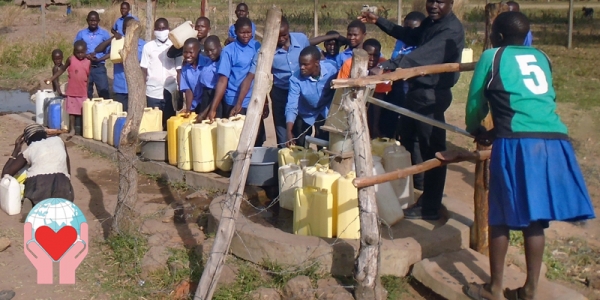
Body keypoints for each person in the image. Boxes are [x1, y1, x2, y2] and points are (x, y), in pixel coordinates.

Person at [462, 11, 595, 300]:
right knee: (535, 218)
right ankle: (530, 290)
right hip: (553, 141)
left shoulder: (492, 56)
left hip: (517, 144)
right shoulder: (543, 57)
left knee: (500, 215)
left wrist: (477, 128)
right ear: (527, 35)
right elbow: (537, 101)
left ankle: (494, 289)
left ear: (495, 35)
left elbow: (476, 101)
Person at [361, 0, 465, 221]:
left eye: (441, 1)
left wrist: (387, 65)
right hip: (416, 91)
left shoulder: (450, 30)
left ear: (451, 3)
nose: (434, 5)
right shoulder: (432, 23)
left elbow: (421, 55)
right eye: (431, 1)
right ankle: (416, 188)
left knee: (433, 149)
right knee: (408, 139)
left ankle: (431, 206)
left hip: (432, 95)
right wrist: (379, 21)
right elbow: (411, 36)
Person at [236, 17, 345, 147]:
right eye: (278, 36)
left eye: (285, 35)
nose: (281, 39)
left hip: (306, 91)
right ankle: (286, 160)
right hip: (282, 92)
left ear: (289, 31)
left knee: (307, 131)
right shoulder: (265, 51)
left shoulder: (301, 39)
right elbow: (252, 77)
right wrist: (240, 102)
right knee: (284, 135)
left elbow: (313, 55)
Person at [204, 17, 264, 146]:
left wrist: (265, 103)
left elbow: (260, 76)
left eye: (249, 32)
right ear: (235, 32)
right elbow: (222, 80)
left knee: (256, 139)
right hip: (233, 101)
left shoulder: (257, 46)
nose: (246, 36)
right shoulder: (228, 51)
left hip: (253, 99)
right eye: (242, 32)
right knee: (235, 140)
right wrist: (213, 108)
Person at [2, 124, 74, 207]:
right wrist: (67, 182)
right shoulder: (59, 141)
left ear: (27, 140)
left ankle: (31, 200)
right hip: (63, 185)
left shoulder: (30, 149)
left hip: (39, 187)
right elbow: (67, 165)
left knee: (26, 171)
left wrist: (16, 150)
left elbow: (6, 174)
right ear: (45, 134)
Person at [337, 39, 391, 138]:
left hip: (374, 102)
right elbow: (340, 89)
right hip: (351, 97)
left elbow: (380, 93)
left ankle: (375, 130)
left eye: (376, 55)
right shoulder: (349, 64)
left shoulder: (383, 65)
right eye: (369, 55)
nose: (372, 59)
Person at [285, 46, 338, 148]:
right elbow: (292, 105)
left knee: (325, 145)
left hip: (324, 112)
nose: (301, 67)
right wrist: (289, 131)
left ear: (317, 63)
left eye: (305, 64)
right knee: (300, 145)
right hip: (305, 113)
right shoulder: (295, 79)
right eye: (300, 64)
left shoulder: (332, 70)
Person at [95, 16, 145, 111]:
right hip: (120, 86)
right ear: (123, 29)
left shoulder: (143, 45)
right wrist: (112, 39)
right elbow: (98, 50)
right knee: (122, 114)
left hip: (136, 87)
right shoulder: (117, 43)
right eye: (127, 28)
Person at [140, 18, 182, 129]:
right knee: (154, 124)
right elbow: (143, 70)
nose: (161, 31)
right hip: (152, 92)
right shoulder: (148, 47)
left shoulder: (175, 48)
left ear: (169, 29)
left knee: (169, 124)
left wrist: (180, 92)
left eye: (163, 28)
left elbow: (179, 70)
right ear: (154, 31)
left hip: (170, 91)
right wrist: (141, 90)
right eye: (158, 29)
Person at [45, 41, 90, 135]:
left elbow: (89, 76)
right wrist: (51, 78)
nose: (80, 55)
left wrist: (88, 89)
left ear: (86, 51)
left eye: (82, 52)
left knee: (83, 111)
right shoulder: (71, 59)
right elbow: (61, 70)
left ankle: (82, 129)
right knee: (72, 112)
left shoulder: (89, 61)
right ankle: (72, 128)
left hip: (82, 91)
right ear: (74, 51)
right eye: (78, 52)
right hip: (72, 90)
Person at [74, 11, 111, 99]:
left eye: (95, 20)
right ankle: (86, 112)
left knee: (103, 92)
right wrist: (85, 56)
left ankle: (105, 112)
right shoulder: (81, 34)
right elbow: (76, 49)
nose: (93, 22)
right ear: (87, 21)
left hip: (99, 67)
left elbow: (110, 51)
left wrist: (99, 59)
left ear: (99, 21)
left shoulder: (104, 34)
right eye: (91, 20)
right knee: (86, 93)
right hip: (84, 67)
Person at [195, 36, 222, 119]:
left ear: (219, 47)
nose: (209, 53)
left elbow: (218, 92)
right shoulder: (209, 60)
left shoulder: (221, 63)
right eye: (207, 51)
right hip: (206, 95)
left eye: (212, 50)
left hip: (214, 98)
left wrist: (205, 112)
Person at [180, 38, 204, 115]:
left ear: (198, 51)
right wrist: (188, 109)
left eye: (191, 52)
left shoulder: (207, 64)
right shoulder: (185, 68)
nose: (187, 55)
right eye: (185, 52)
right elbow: (188, 90)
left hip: (206, 105)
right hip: (194, 105)